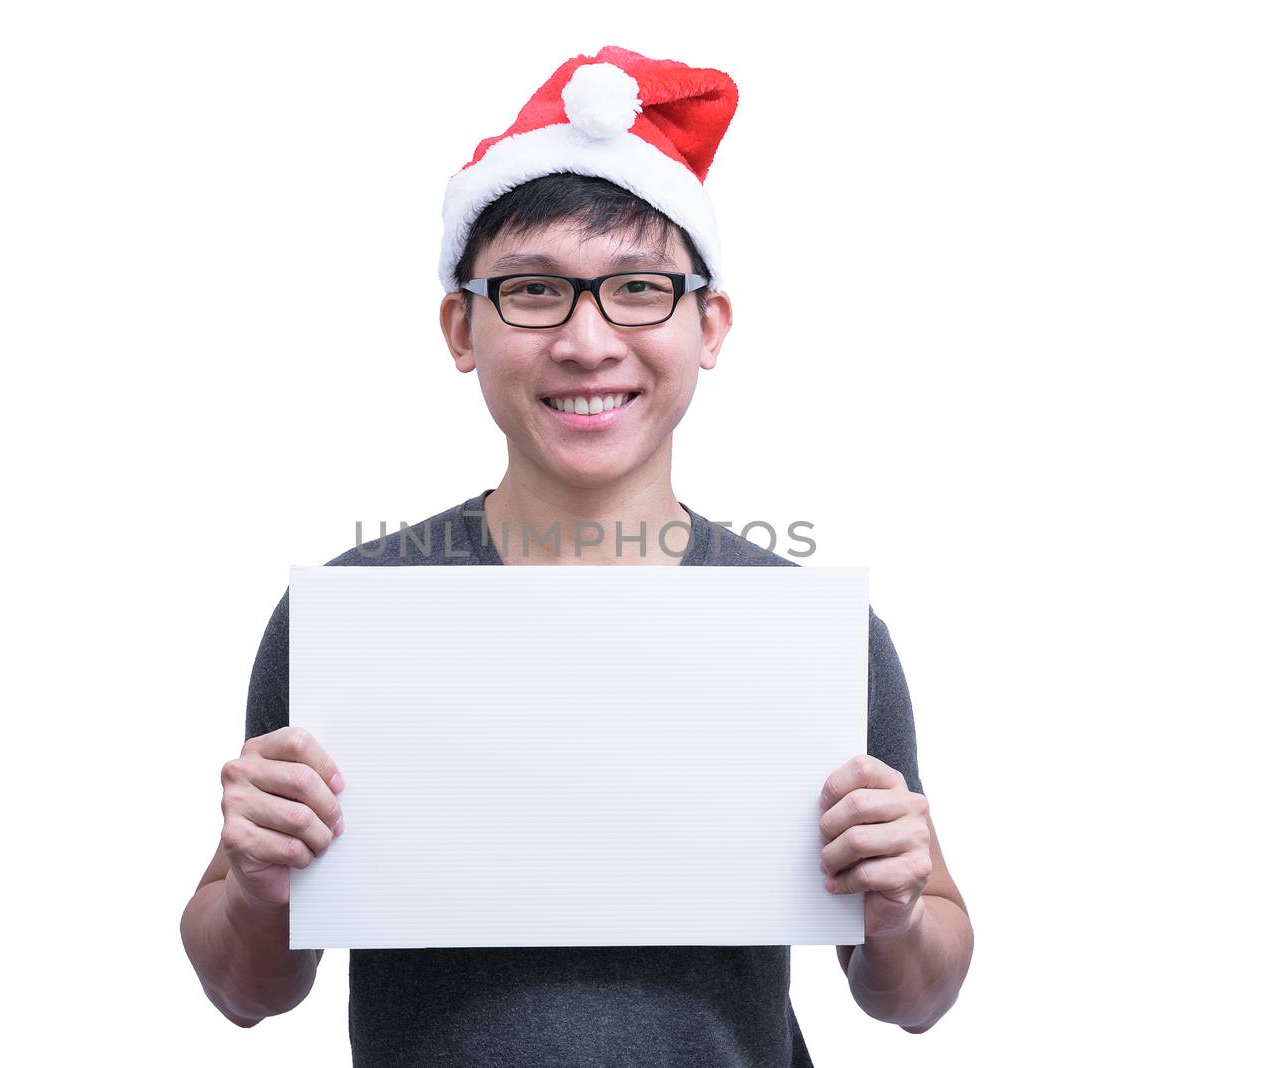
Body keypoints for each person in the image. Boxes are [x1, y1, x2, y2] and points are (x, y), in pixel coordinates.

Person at [180, 44, 974, 1065]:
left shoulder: (805, 636)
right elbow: (246, 991)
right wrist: (256, 885)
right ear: (460, 327)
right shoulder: (356, 620)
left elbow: (916, 995)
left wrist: (899, 909)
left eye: (638, 288)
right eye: (533, 292)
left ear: (710, 324)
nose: (588, 340)